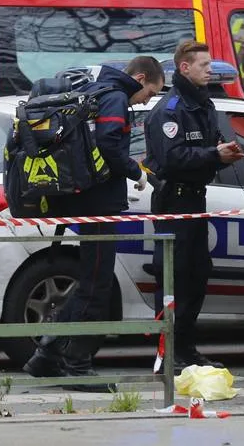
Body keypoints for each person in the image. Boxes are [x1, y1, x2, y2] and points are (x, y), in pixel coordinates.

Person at [23, 56, 165, 389]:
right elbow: (108, 141)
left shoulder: (95, 89)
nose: (147, 100)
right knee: (96, 286)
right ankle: (77, 364)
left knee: (90, 281)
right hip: (99, 203)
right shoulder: (115, 95)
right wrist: (135, 172)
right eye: (149, 92)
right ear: (140, 77)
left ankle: (48, 354)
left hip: (88, 200)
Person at [144, 40, 244, 369]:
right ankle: (169, 352)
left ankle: (186, 349)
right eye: (204, 65)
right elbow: (171, 159)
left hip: (196, 200)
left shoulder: (204, 106)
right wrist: (213, 154)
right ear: (184, 68)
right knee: (173, 278)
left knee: (197, 274)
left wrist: (222, 152)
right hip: (173, 201)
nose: (210, 70)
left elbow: (210, 145)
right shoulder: (170, 110)